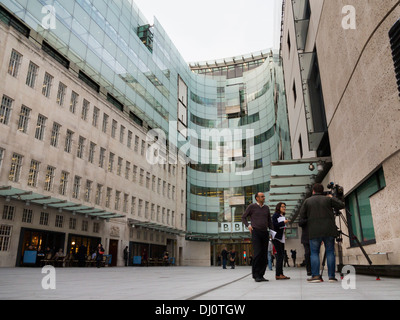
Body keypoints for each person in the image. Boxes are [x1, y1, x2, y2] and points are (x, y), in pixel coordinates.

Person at [299, 183, 345, 283]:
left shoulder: (307, 201)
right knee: (330, 252)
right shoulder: (328, 199)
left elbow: (302, 216)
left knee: (314, 253)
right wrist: (332, 197)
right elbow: (342, 205)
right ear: (322, 190)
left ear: (313, 191)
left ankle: (316, 276)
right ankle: (331, 277)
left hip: (314, 231)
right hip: (329, 230)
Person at [242, 192, 273, 282]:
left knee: (264, 255)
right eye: (262, 196)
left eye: (264, 196)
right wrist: (248, 225)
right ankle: (256, 275)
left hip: (265, 232)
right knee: (258, 253)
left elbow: (269, 221)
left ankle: (261, 275)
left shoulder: (266, 208)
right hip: (256, 232)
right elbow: (243, 217)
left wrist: (272, 231)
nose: (264, 197)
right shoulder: (252, 207)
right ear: (257, 198)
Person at [272, 202, 291, 280]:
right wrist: (283, 222)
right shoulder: (275, 215)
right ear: (278, 207)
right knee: (280, 256)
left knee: (281, 255)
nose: (284, 208)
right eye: (282, 207)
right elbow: (274, 225)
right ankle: (278, 274)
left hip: (281, 238)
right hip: (276, 238)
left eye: (284, 207)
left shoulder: (282, 215)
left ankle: (281, 274)